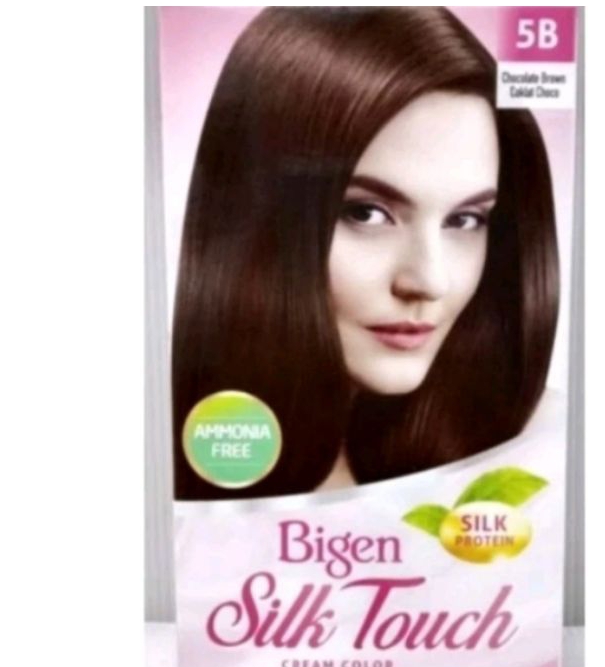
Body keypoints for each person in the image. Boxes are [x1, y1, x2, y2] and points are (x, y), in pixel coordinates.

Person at [171, 6, 559, 499]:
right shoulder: (159, 449)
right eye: (366, 213)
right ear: (253, 210)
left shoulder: (535, 455)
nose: (429, 281)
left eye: (464, 220)